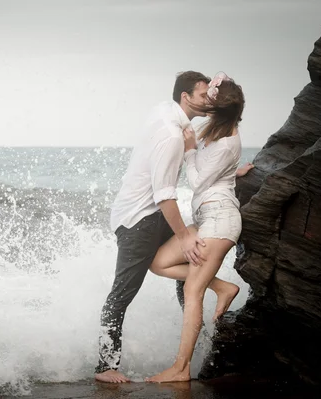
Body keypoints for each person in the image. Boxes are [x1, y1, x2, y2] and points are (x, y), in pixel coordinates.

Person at [95, 71, 212, 384]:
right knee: (122, 293)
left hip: (153, 214)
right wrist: (185, 236)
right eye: (203, 96)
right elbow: (164, 195)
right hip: (137, 219)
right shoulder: (171, 135)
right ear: (185, 97)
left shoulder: (167, 111)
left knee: (192, 265)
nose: (208, 101)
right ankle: (105, 366)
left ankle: (194, 346)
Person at [146, 72, 254, 383]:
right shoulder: (222, 132)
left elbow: (196, 180)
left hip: (220, 221)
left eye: (211, 99)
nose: (206, 101)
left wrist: (191, 148)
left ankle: (180, 369)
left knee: (192, 290)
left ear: (220, 110)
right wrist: (237, 169)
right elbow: (219, 168)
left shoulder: (224, 141)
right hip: (207, 218)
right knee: (158, 262)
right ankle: (222, 287)